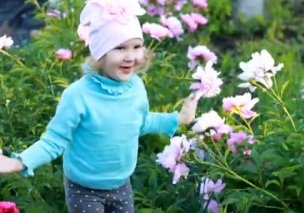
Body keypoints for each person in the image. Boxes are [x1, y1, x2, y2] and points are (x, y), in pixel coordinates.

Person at [0, 0, 199, 212]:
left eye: (136, 46)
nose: (130, 56)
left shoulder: (136, 88)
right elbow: (54, 141)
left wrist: (179, 118)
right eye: (120, 47)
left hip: (122, 184)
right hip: (84, 188)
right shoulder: (78, 96)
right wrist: (20, 162)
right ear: (99, 54)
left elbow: (139, 122)